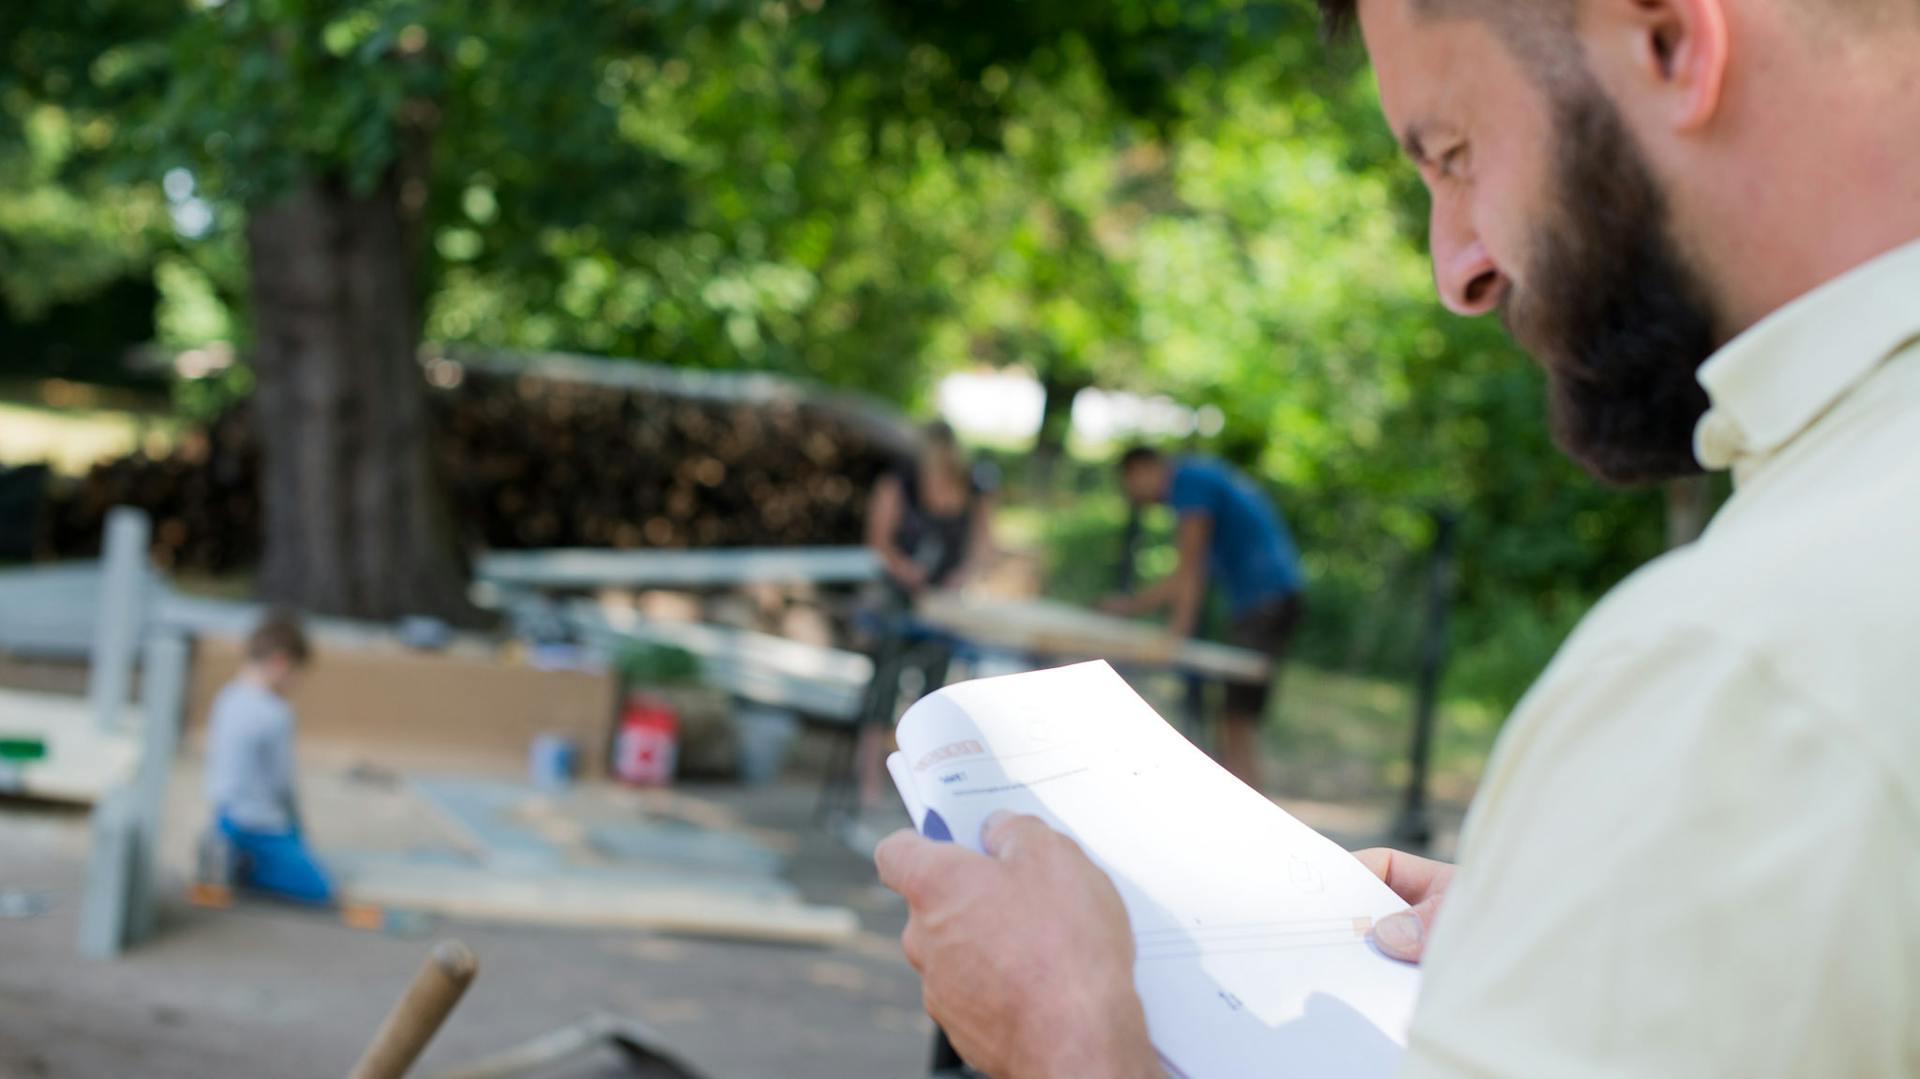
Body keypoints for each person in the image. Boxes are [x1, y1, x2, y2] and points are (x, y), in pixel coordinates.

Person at [874, 0, 1920, 1074]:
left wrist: (1068, 1040)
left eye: (1457, 154)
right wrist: (1591, 941)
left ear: (1667, 43)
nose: (1455, 272)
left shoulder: (1740, 675)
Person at [1104, 446, 1304, 790]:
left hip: (1266, 602)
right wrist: (1134, 606)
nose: (1134, 496)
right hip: (1267, 601)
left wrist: (1176, 635)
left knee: (1237, 724)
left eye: (1129, 484)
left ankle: (1252, 812)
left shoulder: (1189, 483)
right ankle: (1243, 805)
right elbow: (1187, 575)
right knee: (1233, 722)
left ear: (1143, 468)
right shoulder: (1198, 477)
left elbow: (1189, 569)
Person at [849, 421, 996, 812]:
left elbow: (984, 545)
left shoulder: (973, 487)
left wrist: (963, 575)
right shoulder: (901, 481)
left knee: (935, 695)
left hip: (943, 603)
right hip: (898, 597)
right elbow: (879, 540)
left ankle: (927, 786)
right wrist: (905, 571)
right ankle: (869, 783)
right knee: (883, 686)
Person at [203, 610, 332, 904]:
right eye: (297, 674)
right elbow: (281, 783)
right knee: (319, 888)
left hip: (224, 815)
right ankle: (247, 869)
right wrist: (298, 828)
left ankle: (226, 853)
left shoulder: (227, 696)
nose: (296, 683)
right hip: (259, 822)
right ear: (281, 662)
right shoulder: (275, 712)